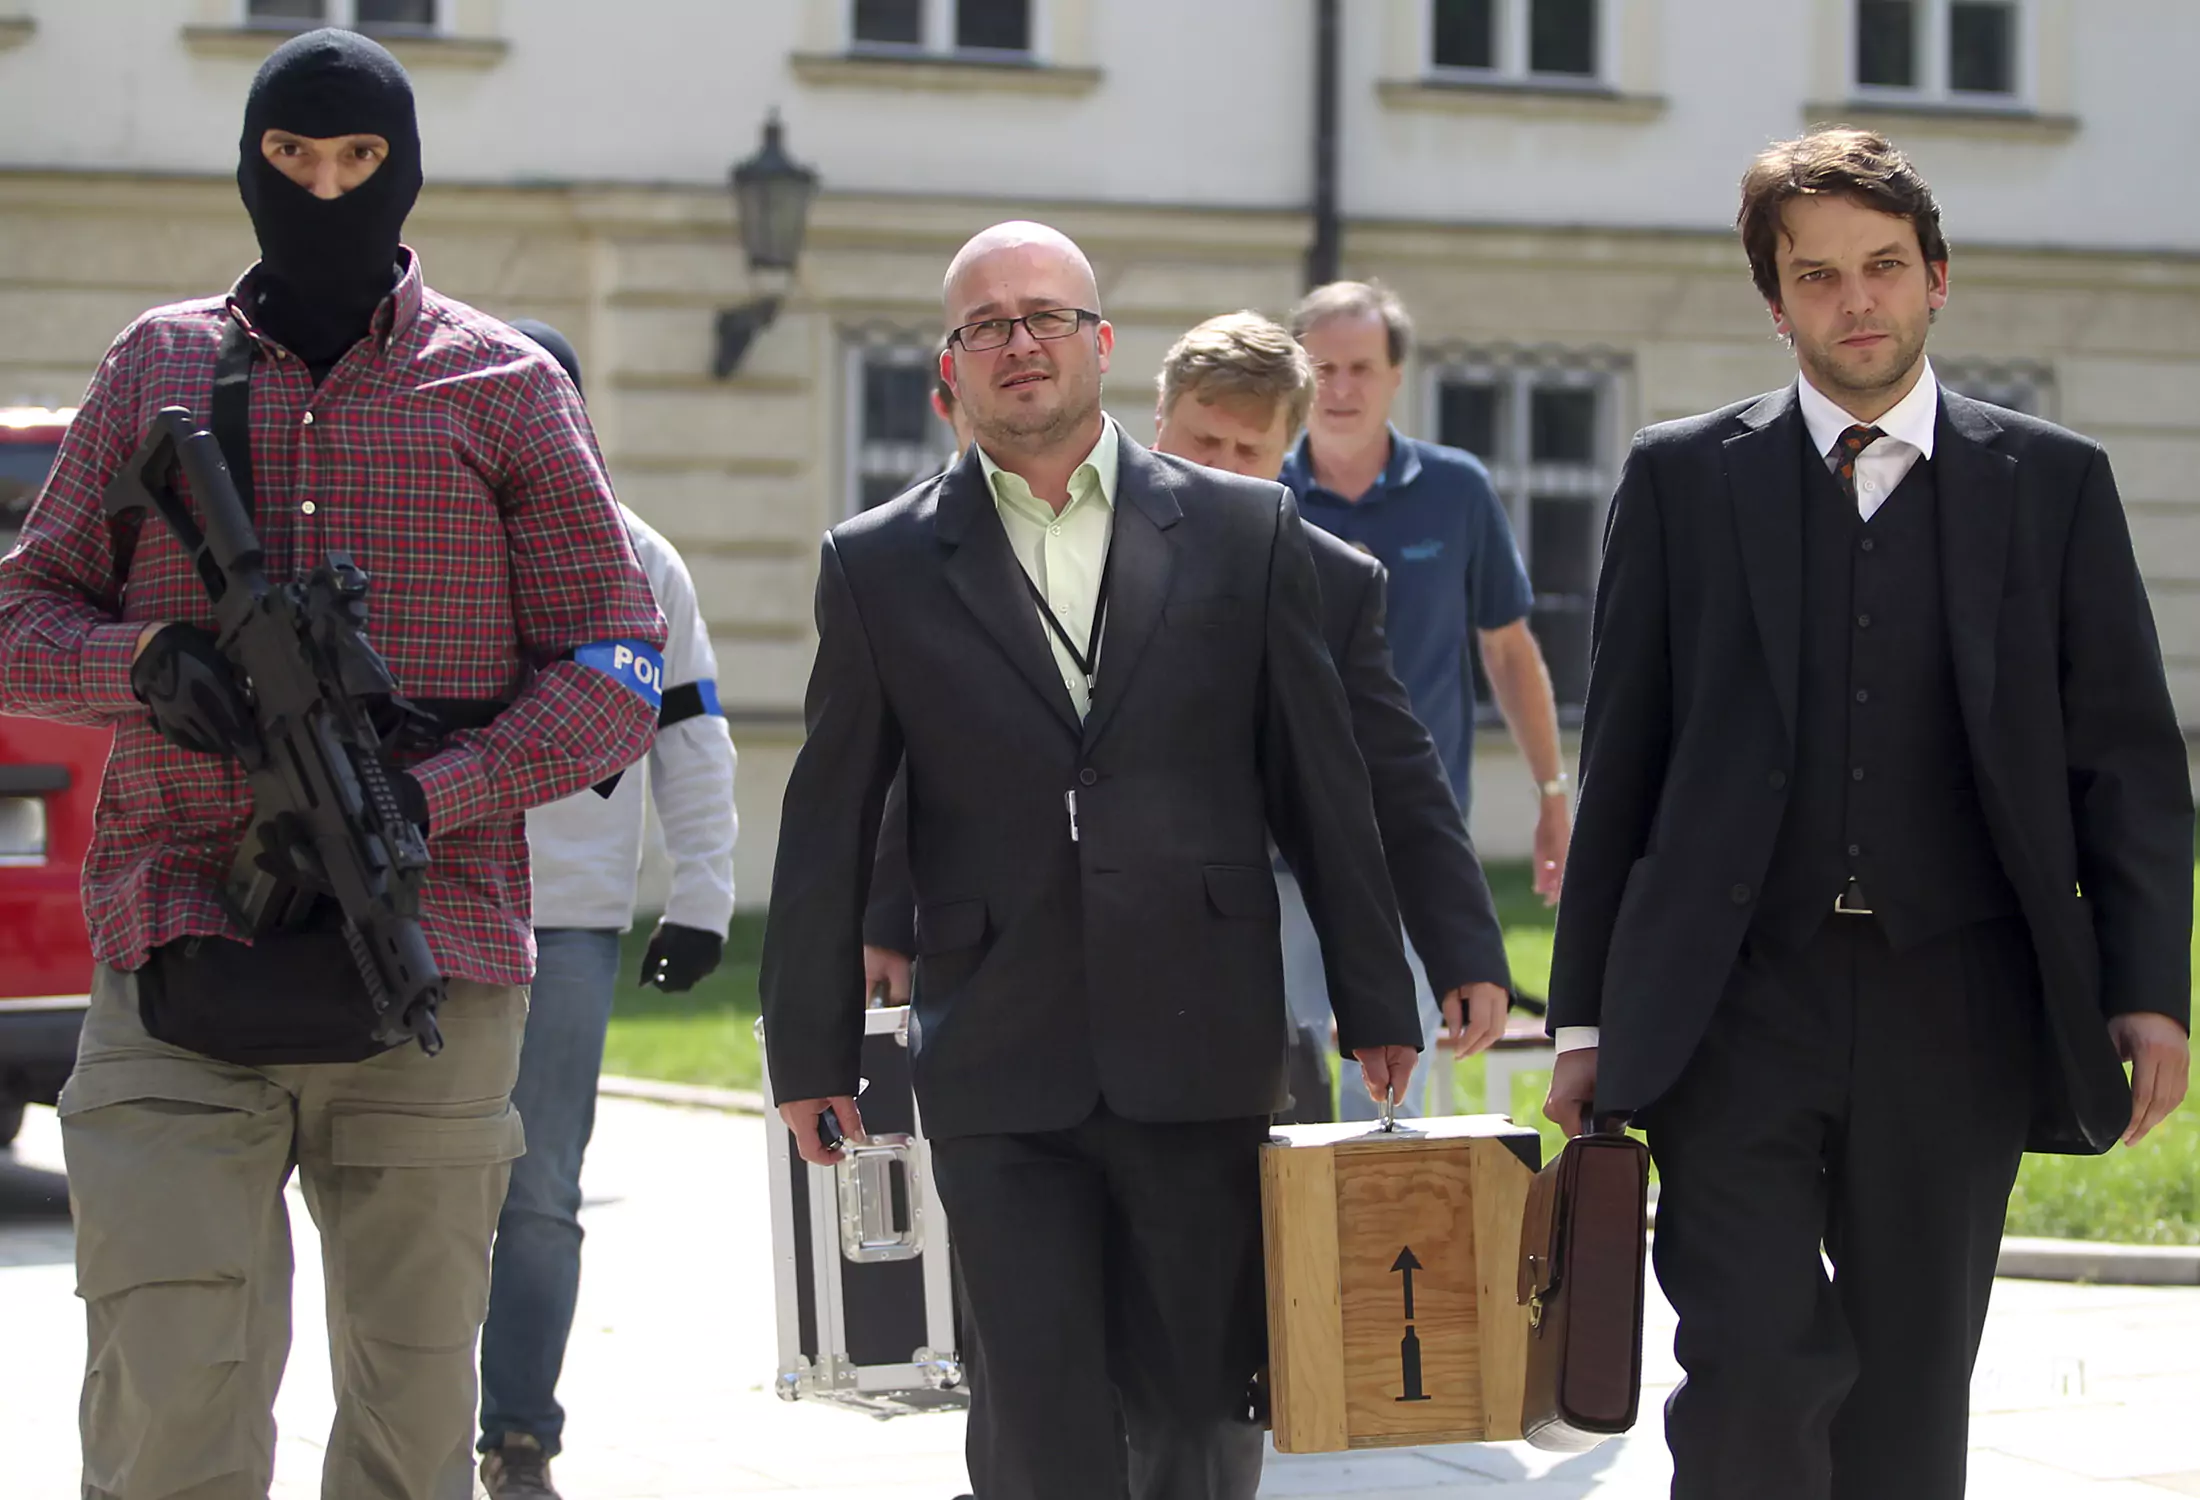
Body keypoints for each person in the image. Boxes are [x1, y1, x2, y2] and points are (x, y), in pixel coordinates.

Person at [0, 31, 665, 1500]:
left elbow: (618, 669)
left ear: (405, 167)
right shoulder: (157, 364)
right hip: (174, 947)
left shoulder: (504, 386)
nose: (322, 190)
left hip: (431, 964)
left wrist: (429, 795)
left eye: (358, 160)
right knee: (166, 1409)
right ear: (247, 163)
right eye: (290, 158)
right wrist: (143, 664)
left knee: (410, 1434)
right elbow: (19, 617)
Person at [1545, 128, 2192, 1500]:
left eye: (1884, 267)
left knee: (1910, 1388)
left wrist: (2148, 993)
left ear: (1936, 278)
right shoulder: (1681, 477)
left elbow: (2126, 761)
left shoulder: (2052, 485)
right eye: (1818, 276)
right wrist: (1586, 1020)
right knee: (1750, 1371)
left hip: (1955, 1005)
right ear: (1774, 304)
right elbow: (1627, 761)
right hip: (1733, 1003)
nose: (1858, 302)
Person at [761, 222, 1420, 1500]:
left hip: (1200, 1037)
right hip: (997, 1047)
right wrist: (809, 1049)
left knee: (1195, 1416)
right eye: (986, 324)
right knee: (1037, 1419)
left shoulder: (1247, 529)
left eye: (1046, 316)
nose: (1019, 341)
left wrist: (1375, 997)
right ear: (951, 366)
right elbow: (829, 812)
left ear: (1101, 343)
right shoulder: (879, 563)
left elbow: (1323, 787)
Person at [475, 320, 738, 1500]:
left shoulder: (640, 562)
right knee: (405, 1184)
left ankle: (518, 1437)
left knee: (539, 1194)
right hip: (423, 908)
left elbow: (692, 736)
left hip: (567, 924)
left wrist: (702, 898)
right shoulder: (432, 538)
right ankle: (409, 1423)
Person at [1150, 312, 1512, 1073]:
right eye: (1203, 442)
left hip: (1256, 917)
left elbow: (1400, 773)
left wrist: (1464, 949)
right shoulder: (1074, 549)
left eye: (1249, 452)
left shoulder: (1334, 584)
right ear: (1159, 423)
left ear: (1287, 455)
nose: (1221, 469)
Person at [1284, 280, 1567, 1116]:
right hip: (1280, 844)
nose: (1340, 389)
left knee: (1383, 1092)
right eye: (1322, 368)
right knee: (1281, 1082)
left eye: (1360, 368)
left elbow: (1508, 650)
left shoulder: (1457, 489)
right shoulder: (1261, 491)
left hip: (1408, 842)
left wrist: (1552, 796)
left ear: (1396, 376)